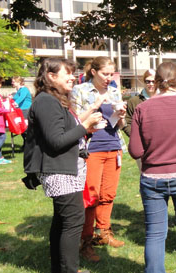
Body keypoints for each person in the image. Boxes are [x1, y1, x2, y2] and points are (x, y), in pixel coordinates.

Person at [24, 57, 102, 273]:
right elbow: (56, 140)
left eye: (72, 72)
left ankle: (59, 268)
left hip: (67, 168)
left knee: (62, 221)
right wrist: (84, 126)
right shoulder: (46, 101)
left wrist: (84, 130)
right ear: (50, 76)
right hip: (59, 171)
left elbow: (62, 134)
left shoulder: (53, 100)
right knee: (72, 221)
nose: (72, 77)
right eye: (66, 72)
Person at [129, 62, 176, 273]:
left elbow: (135, 150)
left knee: (154, 233)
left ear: (156, 83)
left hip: (153, 176)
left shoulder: (142, 108)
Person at [72, 56, 127, 262]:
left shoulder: (113, 90)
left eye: (111, 74)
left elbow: (119, 124)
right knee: (91, 196)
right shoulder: (81, 90)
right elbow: (76, 121)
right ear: (94, 72)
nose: (108, 78)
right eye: (105, 74)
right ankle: (85, 241)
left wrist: (121, 114)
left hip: (113, 146)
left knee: (108, 194)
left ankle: (104, 232)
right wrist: (95, 107)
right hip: (91, 148)